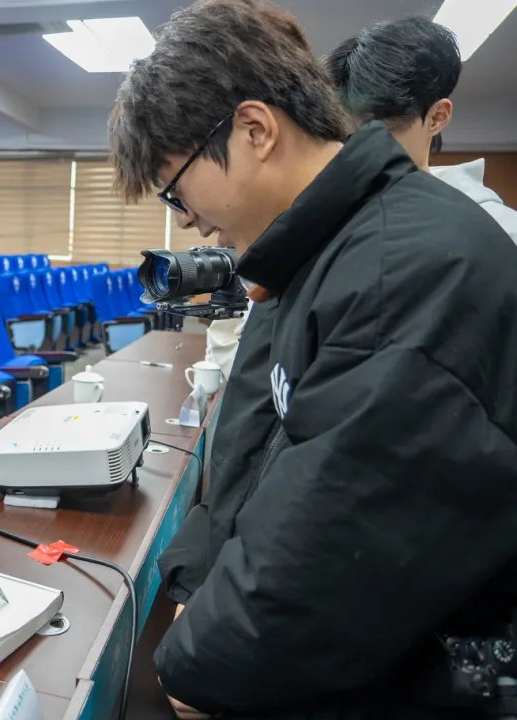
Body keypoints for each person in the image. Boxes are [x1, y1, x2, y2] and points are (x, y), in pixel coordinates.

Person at [109, 1, 517, 718]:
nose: (186, 221)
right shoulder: (307, 251)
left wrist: (194, 664)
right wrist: (195, 583)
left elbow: (338, 551)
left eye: (177, 190)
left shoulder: (408, 269)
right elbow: (248, 444)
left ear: (255, 130)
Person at [325, 16, 517, 243]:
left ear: (437, 117)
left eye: (378, 129)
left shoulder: (500, 231)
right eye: (348, 135)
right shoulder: (333, 222)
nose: (358, 149)